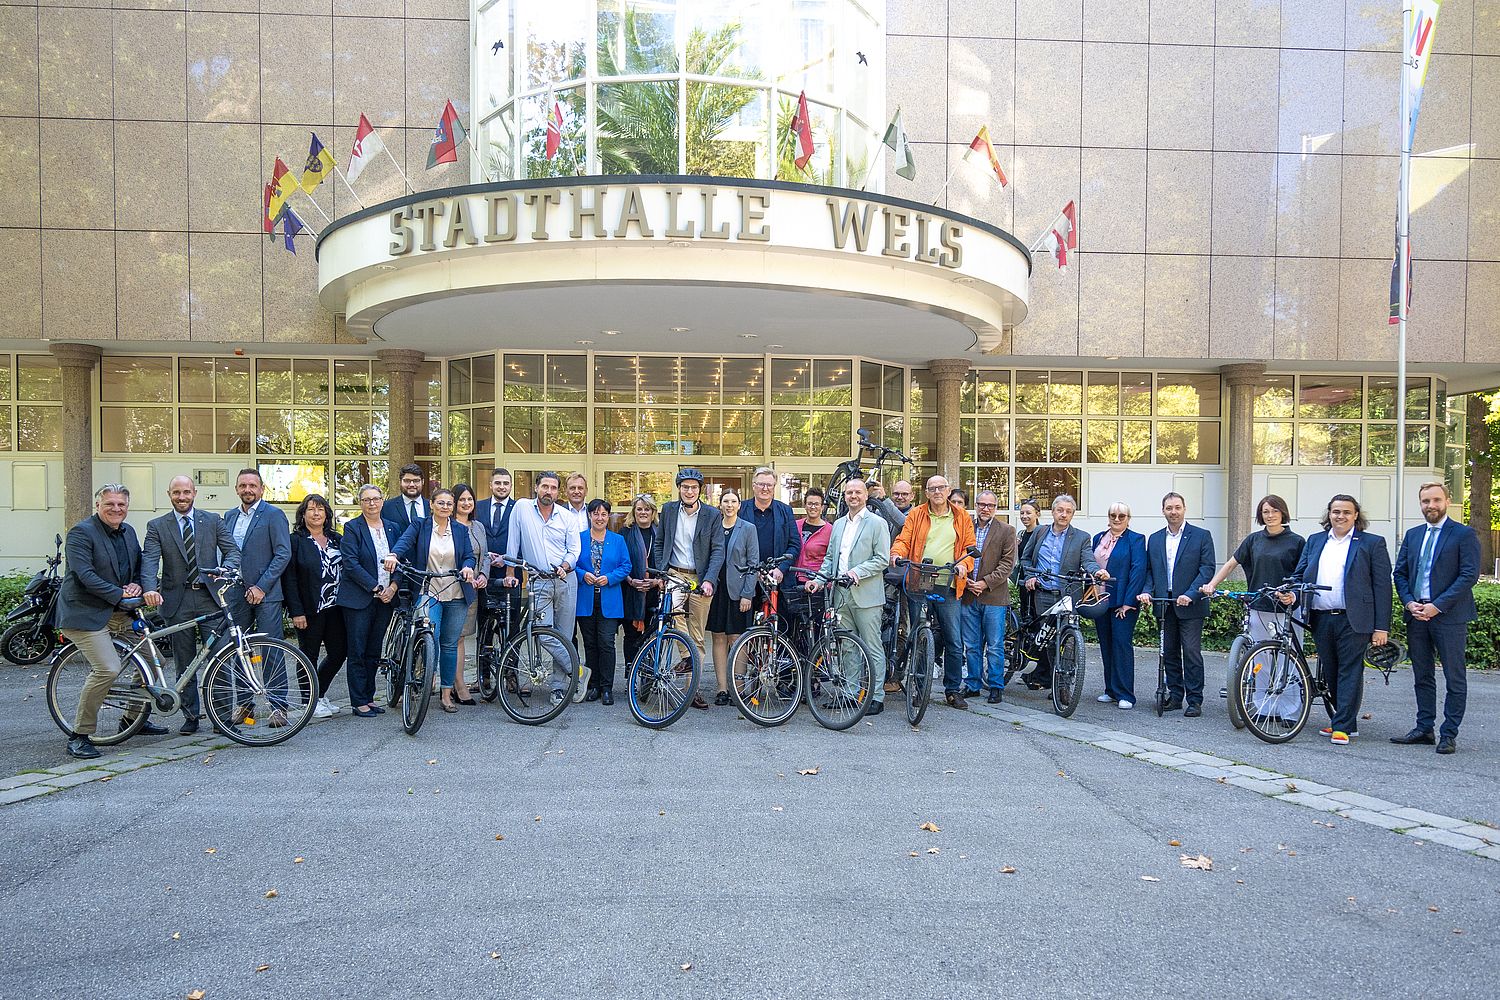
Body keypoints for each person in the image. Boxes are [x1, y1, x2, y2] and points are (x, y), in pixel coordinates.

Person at [62, 485, 166, 759]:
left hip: (120, 612)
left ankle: (132, 720)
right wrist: (120, 592)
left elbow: (138, 564)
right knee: (108, 668)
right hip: (87, 614)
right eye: (110, 504)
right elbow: (84, 575)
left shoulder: (128, 532)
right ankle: (80, 735)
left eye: (121, 504)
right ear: (98, 505)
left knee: (156, 664)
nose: (116, 509)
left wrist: (137, 585)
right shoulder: (81, 533)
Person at [140, 475, 240, 735]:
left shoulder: (213, 520)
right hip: (177, 600)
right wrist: (150, 588)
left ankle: (222, 717)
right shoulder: (157, 526)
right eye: (176, 493)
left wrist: (227, 568)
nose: (182, 497)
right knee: (184, 662)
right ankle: (191, 716)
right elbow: (149, 560)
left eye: (186, 492)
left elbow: (233, 551)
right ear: (169, 494)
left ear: (195, 492)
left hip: (209, 597)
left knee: (220, 659)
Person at [1289, 494, 1391, 746]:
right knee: (1331, 670)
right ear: (1329, 514)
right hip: (1321, 617)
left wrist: (1381, 627)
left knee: (1349, 670)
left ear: (1356, 515)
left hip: (1354, 619)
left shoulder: (1371, 543)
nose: (1340, 516)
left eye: (1346, 512)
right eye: (1336, 512)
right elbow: (1300, 574)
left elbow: (1382, 587)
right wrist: (1292, 592)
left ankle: (1342, 725)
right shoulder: (1315, 541)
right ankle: (1345, 721)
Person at [1392, 482, 1480, 754]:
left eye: (1436, 500)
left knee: (1455, 677)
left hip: (1449, 617)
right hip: (1417, 615)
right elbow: (1400, 573)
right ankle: (1424, 728)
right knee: (1422, 675)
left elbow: (1468, 575)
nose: (1431, 505)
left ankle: (1449, 733)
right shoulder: (1414, 534)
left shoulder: (1463, 534)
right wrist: (1409, 602)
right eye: (1425, 501)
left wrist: (1437, 606)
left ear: (1447, 501)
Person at [1200, 495, 1306, 701]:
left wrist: (1293, 594)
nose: (1270, 515)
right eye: (1265, 512)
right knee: (1261, 658)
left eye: (1275, 511)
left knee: (1289, 659)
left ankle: (1290, 710)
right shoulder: (1253, 540)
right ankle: (1263, 706)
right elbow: (1231, 563)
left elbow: (1303, 573)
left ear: (1283, 512)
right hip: (1259, 605)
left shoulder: (1297, 542)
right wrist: (1212, 585)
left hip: (1287, 607)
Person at [385, 488, 477, 714]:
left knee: (449, 644)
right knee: (431, 637)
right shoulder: (420, 525)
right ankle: (427, 678)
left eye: (449, 504)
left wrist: (467, 567)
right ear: (432, 505)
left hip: (456, 592)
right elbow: (404, 542)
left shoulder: (459, 529)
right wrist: (394, 555)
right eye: (441, 503)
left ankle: (446, 694)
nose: (445, 507)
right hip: (429, 590)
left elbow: (468, 555)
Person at [891, 475, 977, 709]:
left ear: (948, 491)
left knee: (953, 639)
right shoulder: (917, 514)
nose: (937, 491)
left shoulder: (961, 517)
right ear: (926, 493)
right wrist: (897, 553)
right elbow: (903, 540)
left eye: (941, 487)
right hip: (920, 578)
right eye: (932, 488)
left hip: (948, 581)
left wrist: (963, 565)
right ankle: (919, 687)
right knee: (919, 633)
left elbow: (970, 548)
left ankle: (952, 690)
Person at [810, 479, 892, 713]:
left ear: (866, 496)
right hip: (841, 595)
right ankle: (849, 692)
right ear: (844, 497)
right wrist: (818, 580)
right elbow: (830, 559)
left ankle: (875, 697)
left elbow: (881, 559)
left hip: (866, 595)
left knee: (872, 646)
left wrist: (856, 572)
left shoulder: (877, 523)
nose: (853, 496)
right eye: (849, 492)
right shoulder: (837, 524)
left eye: (857, 492)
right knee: (846, 646)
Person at [1135, 492, 1215, 717]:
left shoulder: (1201, 536)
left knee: (1191, 652)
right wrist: (1146, 592)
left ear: (1184, 509)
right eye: (1169, 508)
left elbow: (1206, 570)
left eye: (1177, 507)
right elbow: (1150, 571)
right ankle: (1175, 696)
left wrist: (1191, 594)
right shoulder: (1156, 538)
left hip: (1190, 604)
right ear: (1163, 511)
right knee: (1168, 652)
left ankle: (1195, 700)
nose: (1173, 512)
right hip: (1165, 603)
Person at [504, 471, 581, 706]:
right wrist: (509, 573)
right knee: (542, 631)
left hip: (565, 579)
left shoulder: (567, 517)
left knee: (565, 635)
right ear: (536, 488)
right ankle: (578, 672)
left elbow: (574, 550)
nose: (549, 491)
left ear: (559, 492)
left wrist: (565, 565)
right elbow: (513, 542)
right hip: (539, 581)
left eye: (553, 488)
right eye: (545, 486)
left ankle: (558, 688)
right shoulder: (522, 508)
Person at [223, 469, 293, 725]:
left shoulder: (274, 516)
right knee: (238, 650)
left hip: (266, 594)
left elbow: (283, 554)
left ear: (262, 489)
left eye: (252, 485)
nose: (247, 490)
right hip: (236, 594)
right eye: (243, 485)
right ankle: (244, 705)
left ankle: (278, 707)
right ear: (237, 488)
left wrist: (262, 586)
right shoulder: (229, 516)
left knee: (272, 649)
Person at [650, 468, 724, 711]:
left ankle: (692, 690)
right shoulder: (669, 510)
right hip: (675, 573)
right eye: (685, 487)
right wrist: (662, 571)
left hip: (700, 578)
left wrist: (710, 580)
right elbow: (660, 542)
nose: (689, 491)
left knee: (698, 637)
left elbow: (717, 550)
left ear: (699, 490)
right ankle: (686, 657)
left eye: (693, 487)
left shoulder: (712, 515)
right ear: (679, 489)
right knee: (676, 618)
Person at [1020, 494, 1103, 694]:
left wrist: (1097, 571)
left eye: (1068, 511)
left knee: (1068, 639)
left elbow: (1088, 560)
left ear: (1073, 514)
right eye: (1060, 510)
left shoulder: (1082, 537)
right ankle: (1053, 679)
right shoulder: (1040, 532)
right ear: (1053, 511)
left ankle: (1064, 683)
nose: (1063, 515)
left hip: (1067, 595)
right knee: (1048, 639)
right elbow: (1026, 559)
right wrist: (1031, 576)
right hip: (1043, 593)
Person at [338, 484, 400, 719]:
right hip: (360, 598)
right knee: (358, 650)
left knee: (374, 649)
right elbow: (350, 563)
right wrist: (375, 587)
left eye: (375, 499)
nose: (372, 503)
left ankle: (370, 697)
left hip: (385, 599)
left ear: (382, 501)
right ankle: (358, 700)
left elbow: (400, 559)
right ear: (360, 503)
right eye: (366, 500)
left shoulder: (393, 528)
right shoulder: (352, 528)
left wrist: (393, 587)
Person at [283, 494, 347, 719]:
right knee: (308, 656)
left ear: (327, 514)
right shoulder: (295, 541)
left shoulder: (337, 539)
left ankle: (319, 695)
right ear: (303, 514)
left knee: (339, 652)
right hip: (309, 609)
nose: (316, 513)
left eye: (320, 509)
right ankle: (308, 701)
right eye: (311, 509)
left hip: (336, 607)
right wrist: (296, 611)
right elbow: (289, 578)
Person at [960, 490, 1018, 703]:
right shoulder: (966, 527)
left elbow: (1007, 564)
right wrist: (966, 581)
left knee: (994, 645)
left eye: (990, 505)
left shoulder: (1007, 530)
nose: (985, 509)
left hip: (993, 596)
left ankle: (995, 686)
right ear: (975, 505)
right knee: (972, 645)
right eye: (982, 504)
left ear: (996, 507)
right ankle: (973, 684)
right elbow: (958, 555)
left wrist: (985, 583)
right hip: (968, 594)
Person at [707, 488, 760, 706]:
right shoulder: (713, 527)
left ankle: (737, 690)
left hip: (739, 592)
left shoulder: (748, 528)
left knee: (736, 639)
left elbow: (753, 563)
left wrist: (748, 594)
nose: (729, 505)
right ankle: (722, 688)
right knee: (718, 637)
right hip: (716, 590)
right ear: (720, 504)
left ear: (739, 505)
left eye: (733, 501)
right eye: (725, 501)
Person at [1092, 502, 1147, 709]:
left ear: (1128, 518)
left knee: (1121, 645)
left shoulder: (1136, 539)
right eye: (1113, 515)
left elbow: (1138, 572)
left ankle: (1126, 693)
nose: (1117, 519)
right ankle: (1111, 690)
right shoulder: (1098, 538)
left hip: (1123, 603)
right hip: (1101, 601)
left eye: (1121, 516)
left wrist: (1129, 603)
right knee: (1106, 645)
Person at [577, 499, 630, 705]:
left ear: (608, 517)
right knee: (590, 643)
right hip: (586, 597)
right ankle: (594, 685)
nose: (599, 518)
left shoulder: (617, 540)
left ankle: (607, 688)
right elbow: (572, 562)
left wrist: (610, 577)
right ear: (589, 516)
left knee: (607, 643)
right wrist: (583, 574)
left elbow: (626, 566)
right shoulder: (579, 538)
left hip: (609, 597)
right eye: (595, 514)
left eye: (603, 514)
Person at [783, 487, 833, 657]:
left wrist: (825, 582)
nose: (813, 507)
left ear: (822, 507)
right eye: (810, 503)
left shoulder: (829, 530)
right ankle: (793, 670)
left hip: (816, 585)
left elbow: (831, 558)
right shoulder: (795, 526)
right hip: (794, 582)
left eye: (817, 504)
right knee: (793, 628)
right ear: (805, 505)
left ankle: (815, 672)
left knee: (815, 629)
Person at [742, 466, 801, 605]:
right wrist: (753, 571)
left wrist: (781, 568)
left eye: (769, 485)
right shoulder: (741, 509)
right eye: (761, 484)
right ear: (753, 486)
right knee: (748, 626)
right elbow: (734, 547)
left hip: (778, 580)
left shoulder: (785, 511)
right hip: (748, 581)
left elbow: (795, 545)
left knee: (778, 625)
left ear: (774, 487)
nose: (765, 488)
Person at [451, 483, 488, 705]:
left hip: (472, 588)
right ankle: (455, 685)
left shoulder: (478, 527)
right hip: (450, 586)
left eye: (470, 499)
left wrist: (483, 574)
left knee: (461, 637)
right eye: (462, 499)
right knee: (451, 637)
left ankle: (458, 682)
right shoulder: (447, 525)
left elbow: (484, 556)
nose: (466, 503)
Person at [475, 467, 520, 651]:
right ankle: (484, 677)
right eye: (498, 483)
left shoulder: (519, 509)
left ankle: (510, 676)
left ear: (511, 486)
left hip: (511, 576)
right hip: (483, 577)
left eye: (506, 483)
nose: (502, 487)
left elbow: (526, 541)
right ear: (490, 485)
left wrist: (507, 559)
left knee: (512, 631)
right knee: (484, 630)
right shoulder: (478, 506)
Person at [382, 464, 428, 536]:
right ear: (400, 482)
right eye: (407, 481)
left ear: (423, 482)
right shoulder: (386, 507)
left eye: (416, 481)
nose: (412, 484)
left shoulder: (432, 506)